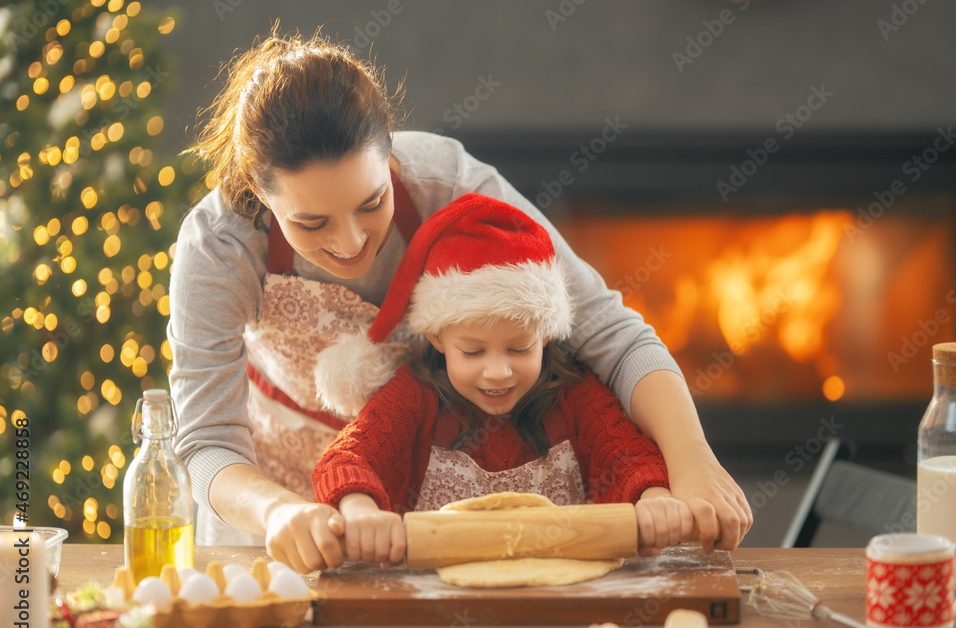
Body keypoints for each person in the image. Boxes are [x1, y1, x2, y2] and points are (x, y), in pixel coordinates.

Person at [168, 28, 750, 574]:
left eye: (372, 203)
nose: (350, 242)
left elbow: (613, 336)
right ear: (259, 193)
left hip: (405, 524)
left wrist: (693, 461)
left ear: (389, 152)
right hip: (266, 513)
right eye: (311, 221)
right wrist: (278, 512)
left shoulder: (450, 183)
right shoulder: (217, 248)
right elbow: (207, 440)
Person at [312, 193, 695, 564]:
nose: (498, 372)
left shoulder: (576, 395)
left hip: (564, 602)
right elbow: (346, 460)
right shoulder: (413, 397)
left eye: (519, 349)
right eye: (473, 352)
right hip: (437, 601)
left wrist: (654, 498)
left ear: (545, 335)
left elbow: (630, 458)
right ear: (437, 337)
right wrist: (359, 510)